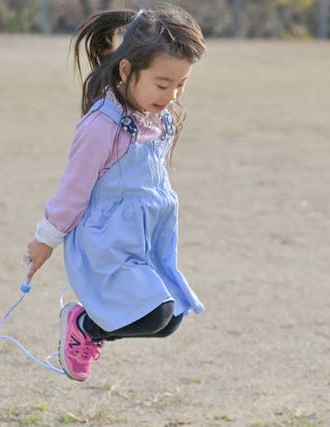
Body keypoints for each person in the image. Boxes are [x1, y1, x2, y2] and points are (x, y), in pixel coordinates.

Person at [25, 6, 206, 381]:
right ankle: (84, 326)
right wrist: (45, 239)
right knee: (155, 312)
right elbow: (73, 189)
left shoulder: (160, 118)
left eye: (181, 84)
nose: (172, 95)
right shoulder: (102, 125)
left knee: (170, 317)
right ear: (126, 70)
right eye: (162, 84)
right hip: (106, 242)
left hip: (143, 238)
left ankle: (89, 326)